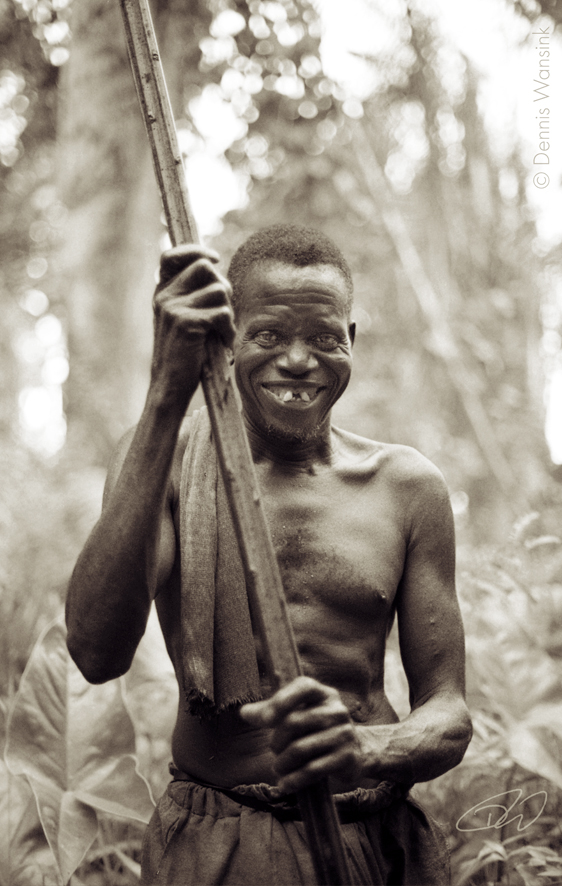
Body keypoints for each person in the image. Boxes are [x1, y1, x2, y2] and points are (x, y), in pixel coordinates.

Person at [65, 224, 472, 885]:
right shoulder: (165, 462)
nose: (298, 361)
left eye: (323, 338)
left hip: (376, 839)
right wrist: (166, 392)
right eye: (269, 336)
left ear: (352, 341)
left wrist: (365, 746)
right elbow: (94, 652)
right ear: (229, 342)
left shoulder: (408, 488)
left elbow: (449, 713)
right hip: (220, 840)